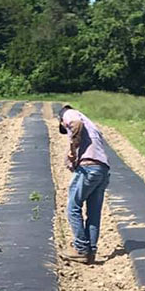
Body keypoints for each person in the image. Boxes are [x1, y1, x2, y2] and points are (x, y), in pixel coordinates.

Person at [59, 105, 110, 264]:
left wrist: (72, 150)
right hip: (102, 169)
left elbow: (76, 125)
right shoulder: (92, 126)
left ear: (61, 121)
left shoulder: (69, 113)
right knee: (94, 211)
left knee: (73, 207)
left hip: (88, 168)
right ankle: (90, 250)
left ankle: (80, 248)